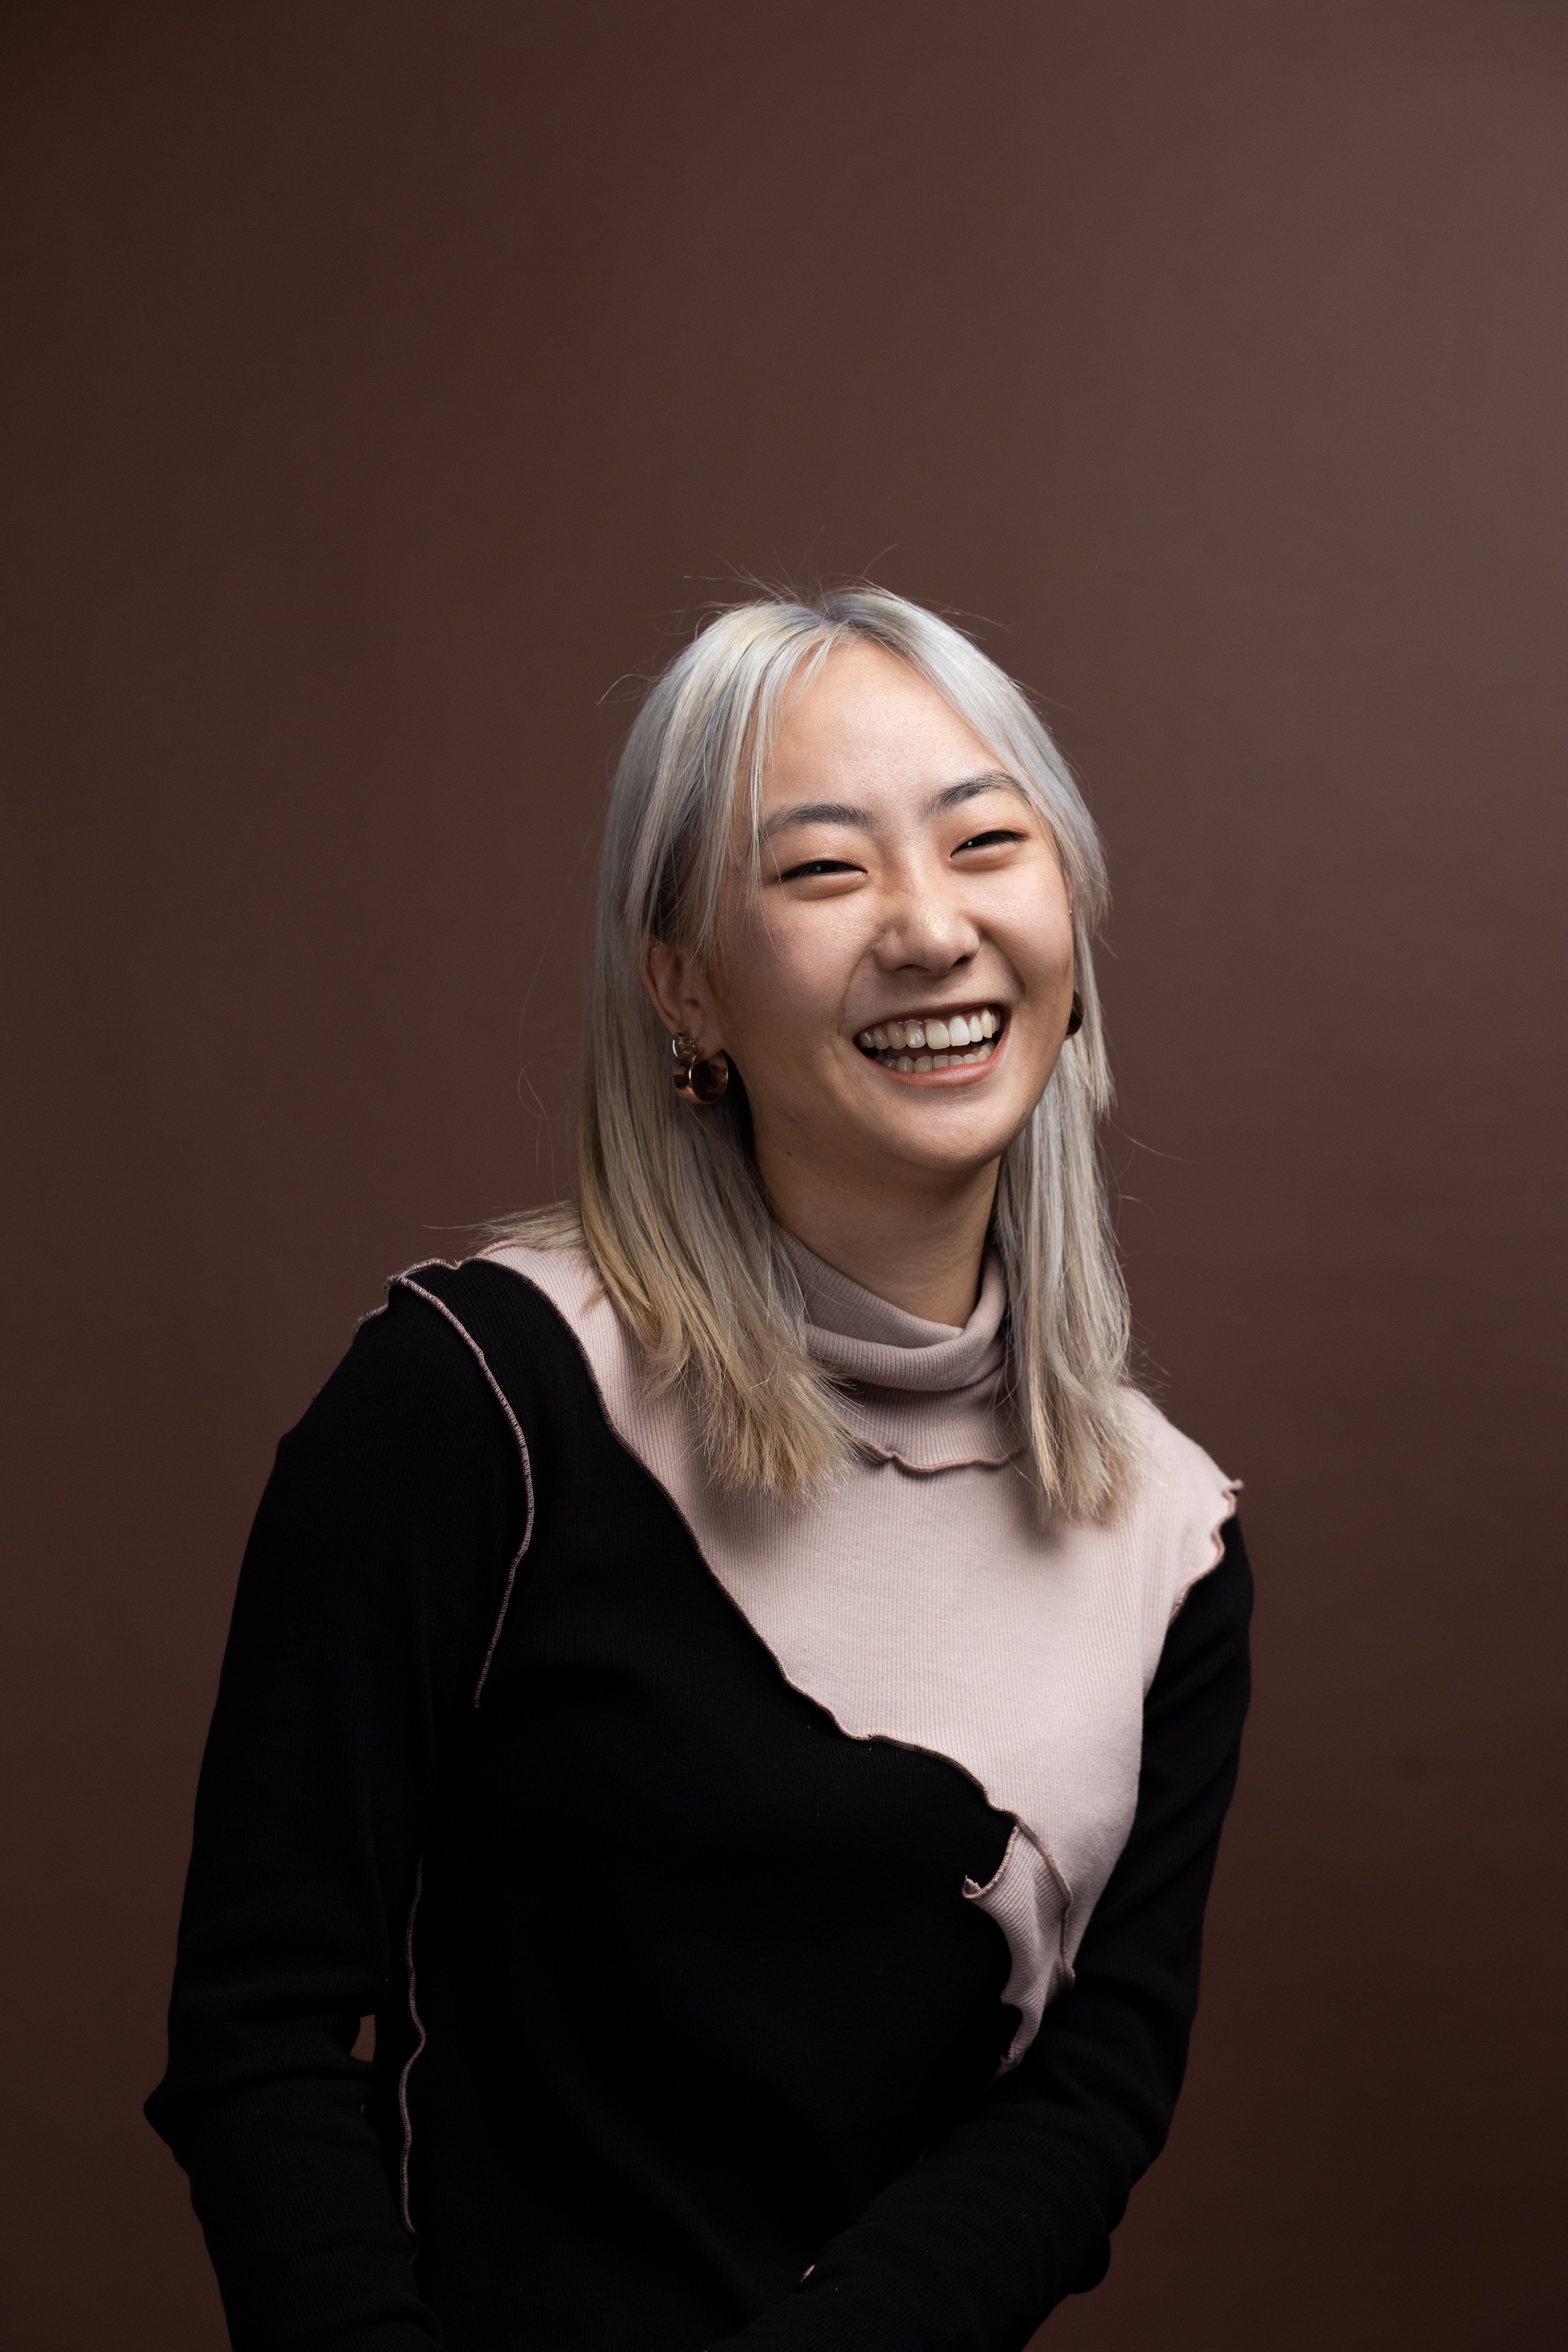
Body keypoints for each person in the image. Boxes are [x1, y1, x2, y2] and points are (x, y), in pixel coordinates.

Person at [147, 586, 1251, 2352]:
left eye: (988, 844)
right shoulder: (472, 1396)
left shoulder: (1170, 1544)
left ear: (1070, 915)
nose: (929, 928)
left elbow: (1087, 2103)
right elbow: (262, 2036)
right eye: (821, 874)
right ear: (682, 986)